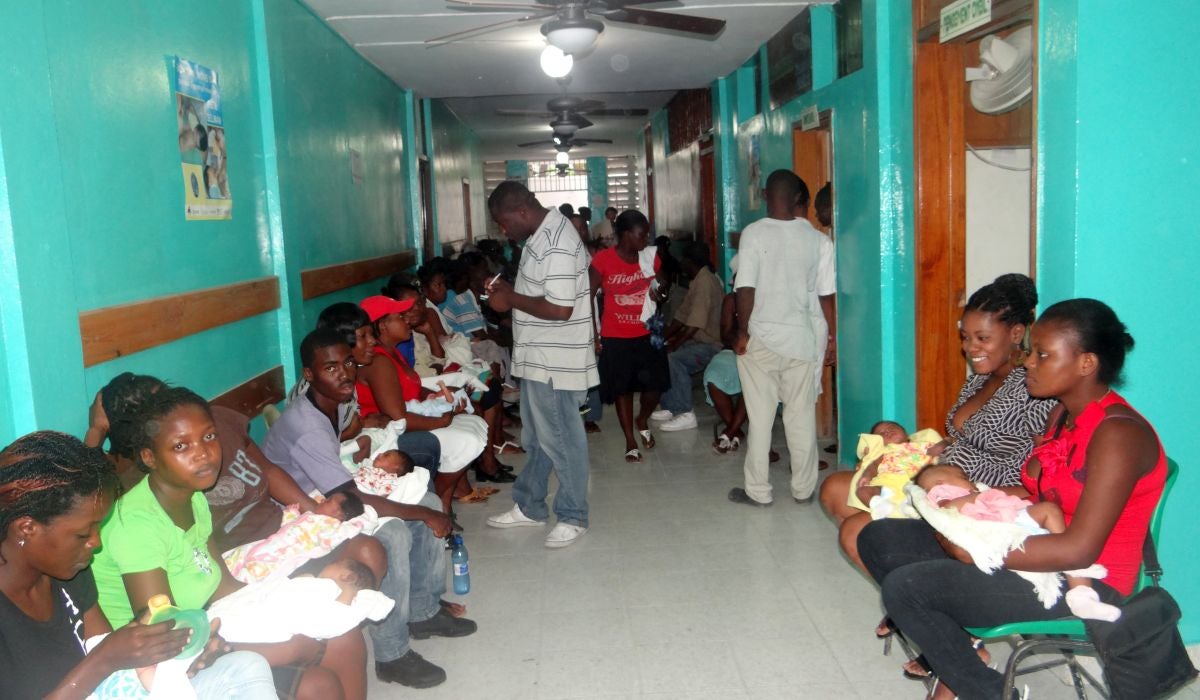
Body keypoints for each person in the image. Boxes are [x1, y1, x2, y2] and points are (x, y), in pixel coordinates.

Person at [857, 299, 1165, 699]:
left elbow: (1078, 548)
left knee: (908, 587)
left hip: (1084, 580)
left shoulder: (1118, 436)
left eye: (1042, 354)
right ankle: (962, 661)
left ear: (1086, 363)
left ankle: (982, 689)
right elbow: (1041, 493)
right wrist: (969, 507)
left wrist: (977, 550)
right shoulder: (1062, 416)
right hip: (1033, 543)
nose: (1027, 364)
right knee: (880, 537)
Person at [88, 387, 357, 700]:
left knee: (341, 631)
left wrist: (291, 602)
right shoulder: (137, 526)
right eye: (180, 446)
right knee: (316, 683)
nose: (203, 453)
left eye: (209, 437)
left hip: (205, 621)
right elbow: (163, 636)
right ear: (150, 458)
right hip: (151, 663)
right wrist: (287, 648)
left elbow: (223, 584)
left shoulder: (194, 498)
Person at [263, 329, 477, 689]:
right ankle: (392, 655)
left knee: (423, 499)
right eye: (330, 367)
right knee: (392, 532)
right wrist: (428, 515)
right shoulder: (306, 426)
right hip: (299, 516)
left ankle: (422, 612)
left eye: (347, 362)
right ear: (309, 375)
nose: (344, 373)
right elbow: (350, 498)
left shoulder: (338, 400)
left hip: (327, 495)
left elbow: (344, 460)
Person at [0, 431, 277, 699]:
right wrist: (103, 660)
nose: (96, 543)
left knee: (245, 667)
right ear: (27, 529)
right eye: (84, 534)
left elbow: (112, 659)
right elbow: (104, 657)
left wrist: (172, 650)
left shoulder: (69, 575)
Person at [820, 273, 1056, 570]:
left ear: (1015, 332)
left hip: (976, 497)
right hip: (935, 477)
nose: (971, 348)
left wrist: (975, 495)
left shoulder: (1033, 389)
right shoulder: (979, 380)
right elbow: (961, 437)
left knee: (856, 531)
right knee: (836, 489)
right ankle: (911, 583)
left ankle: (915, 598)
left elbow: (1047, 471)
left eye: (983, 338)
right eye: (966, 338)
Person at [483, 180, 598, 549]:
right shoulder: (540, 235)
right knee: (538, 438)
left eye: (503, 222)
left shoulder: (558, 241)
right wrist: (508, 291)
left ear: (521, 211)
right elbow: (547, 289)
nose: (503, 231)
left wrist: (511, 298)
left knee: (562, 438)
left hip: (555, 359)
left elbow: (561, 309)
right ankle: (530, 504)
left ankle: (573, 515)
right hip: (537, 355)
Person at [728, 170, 835, 507]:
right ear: (799, 200)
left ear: (764, 195)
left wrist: (741, 331)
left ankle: (758, 491)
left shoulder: (754, 233)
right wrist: (832, 337)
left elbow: (746, 286)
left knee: (760, 419)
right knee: (800, 416)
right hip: (801, 341)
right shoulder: (819, 240)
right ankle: (803, 490)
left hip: (760, 339)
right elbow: (826, 295)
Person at [911, 464, 1121, 622]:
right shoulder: (941, 493)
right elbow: (949, 508)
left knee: (1049, 510)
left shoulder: (971, 491)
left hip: (1011, 520)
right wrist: (979, 495)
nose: (970, 481)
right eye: (962, 477)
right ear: (941, 484)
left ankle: (1082, 593)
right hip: (1000, 531)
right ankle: (1074, 572)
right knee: (1049, 511)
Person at [589, 210, 671, 463]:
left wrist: (661, 292)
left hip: (648, 330)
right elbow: (588, 297)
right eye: (641, 234)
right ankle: (630, 440)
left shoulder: (649, 257)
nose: (646, 239)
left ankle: (642, 418)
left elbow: (662, 282)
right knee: (622, 389)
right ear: (625, 235)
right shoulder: (603, 260)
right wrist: (594, 334)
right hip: (616, 334)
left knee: (656, 385)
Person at [652, 241, 724, 432]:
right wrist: (662, 340)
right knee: (661, 353)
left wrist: (675, 345)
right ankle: (670, 406)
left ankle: (685, 413)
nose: (681, 263)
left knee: (674, 360)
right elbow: (681, 316)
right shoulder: (698, 279)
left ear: (690, 261)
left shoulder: (705, 282)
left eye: (683, 259)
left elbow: (695, 323)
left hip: (711, 344)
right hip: (697, 339)